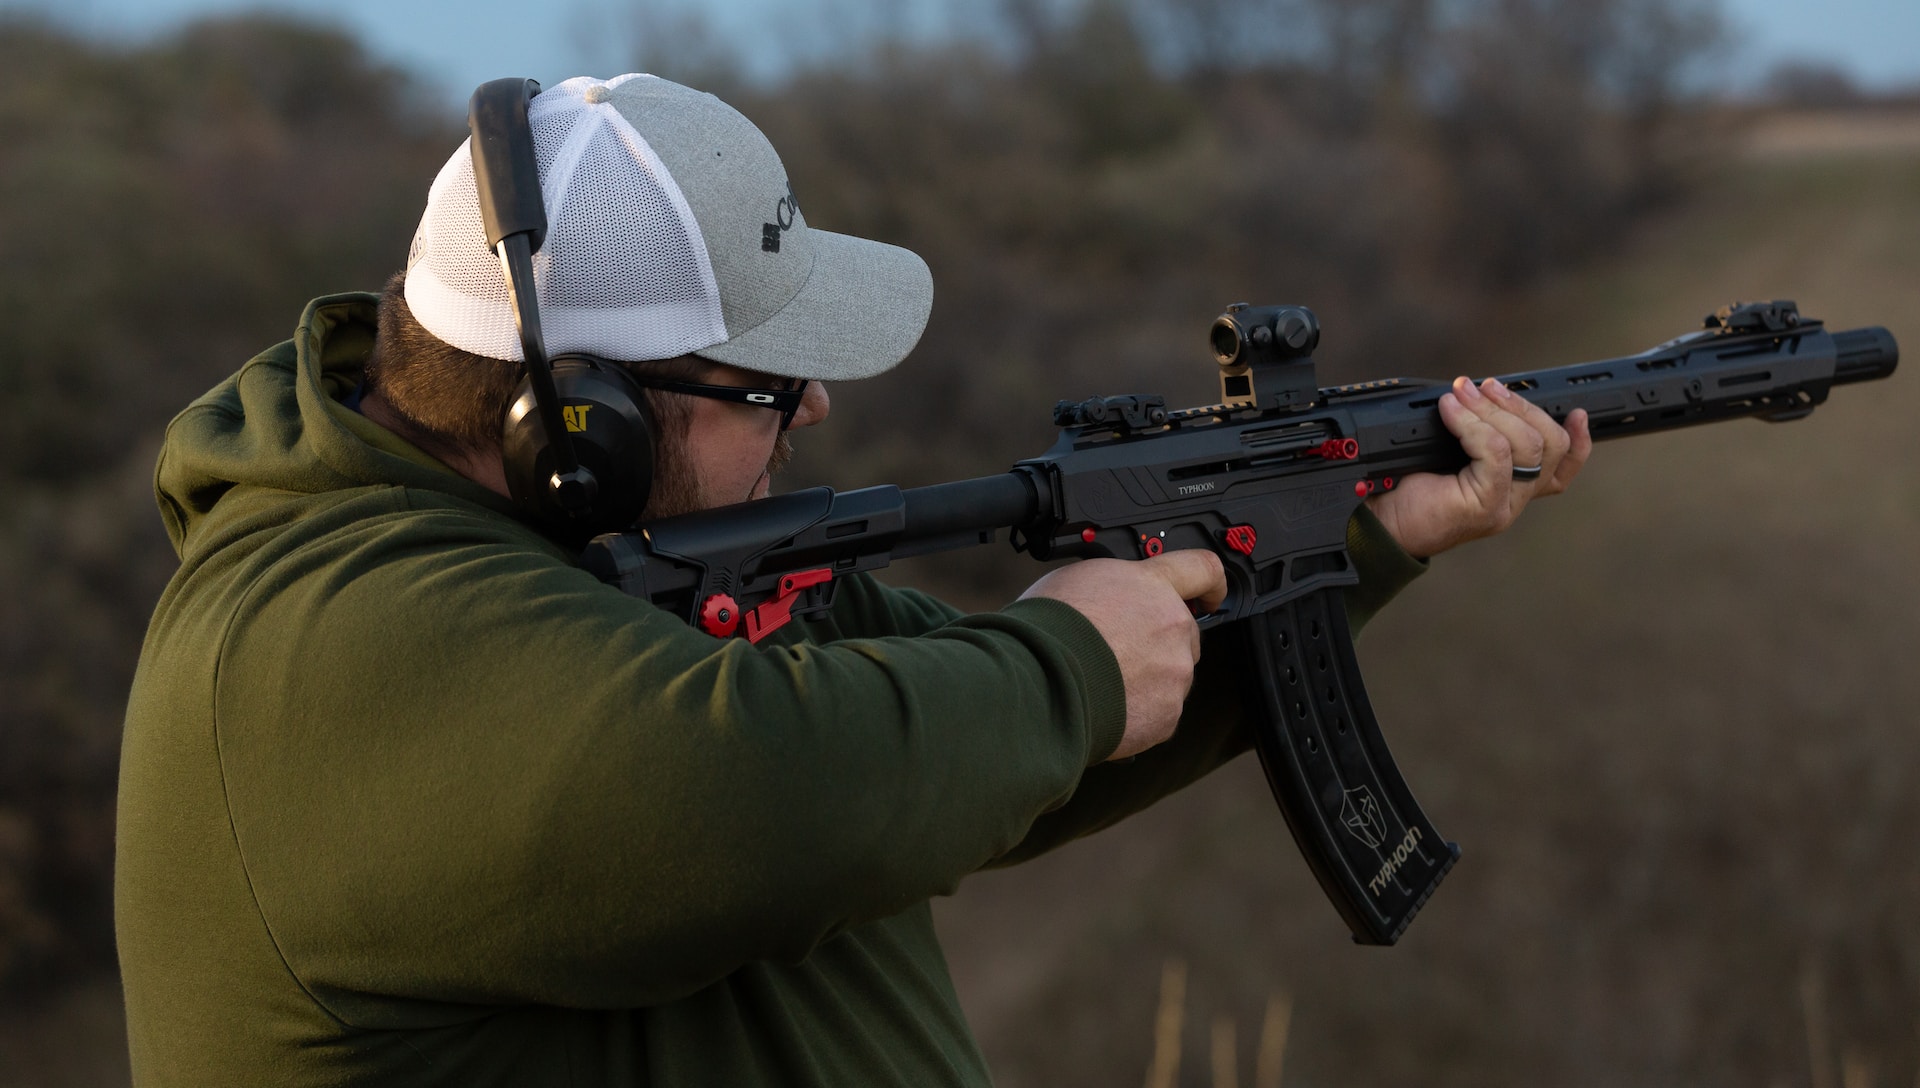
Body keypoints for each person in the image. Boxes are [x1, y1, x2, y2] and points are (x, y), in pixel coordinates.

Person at [116, 74, 1590, 1086]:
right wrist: (1060, 664)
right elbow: (777, 785)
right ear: (585, 420)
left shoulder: (613, 576)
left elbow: (979, 763)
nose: (810, 412)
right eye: (764, 381)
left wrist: (1364, 536)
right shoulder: (316, 638)